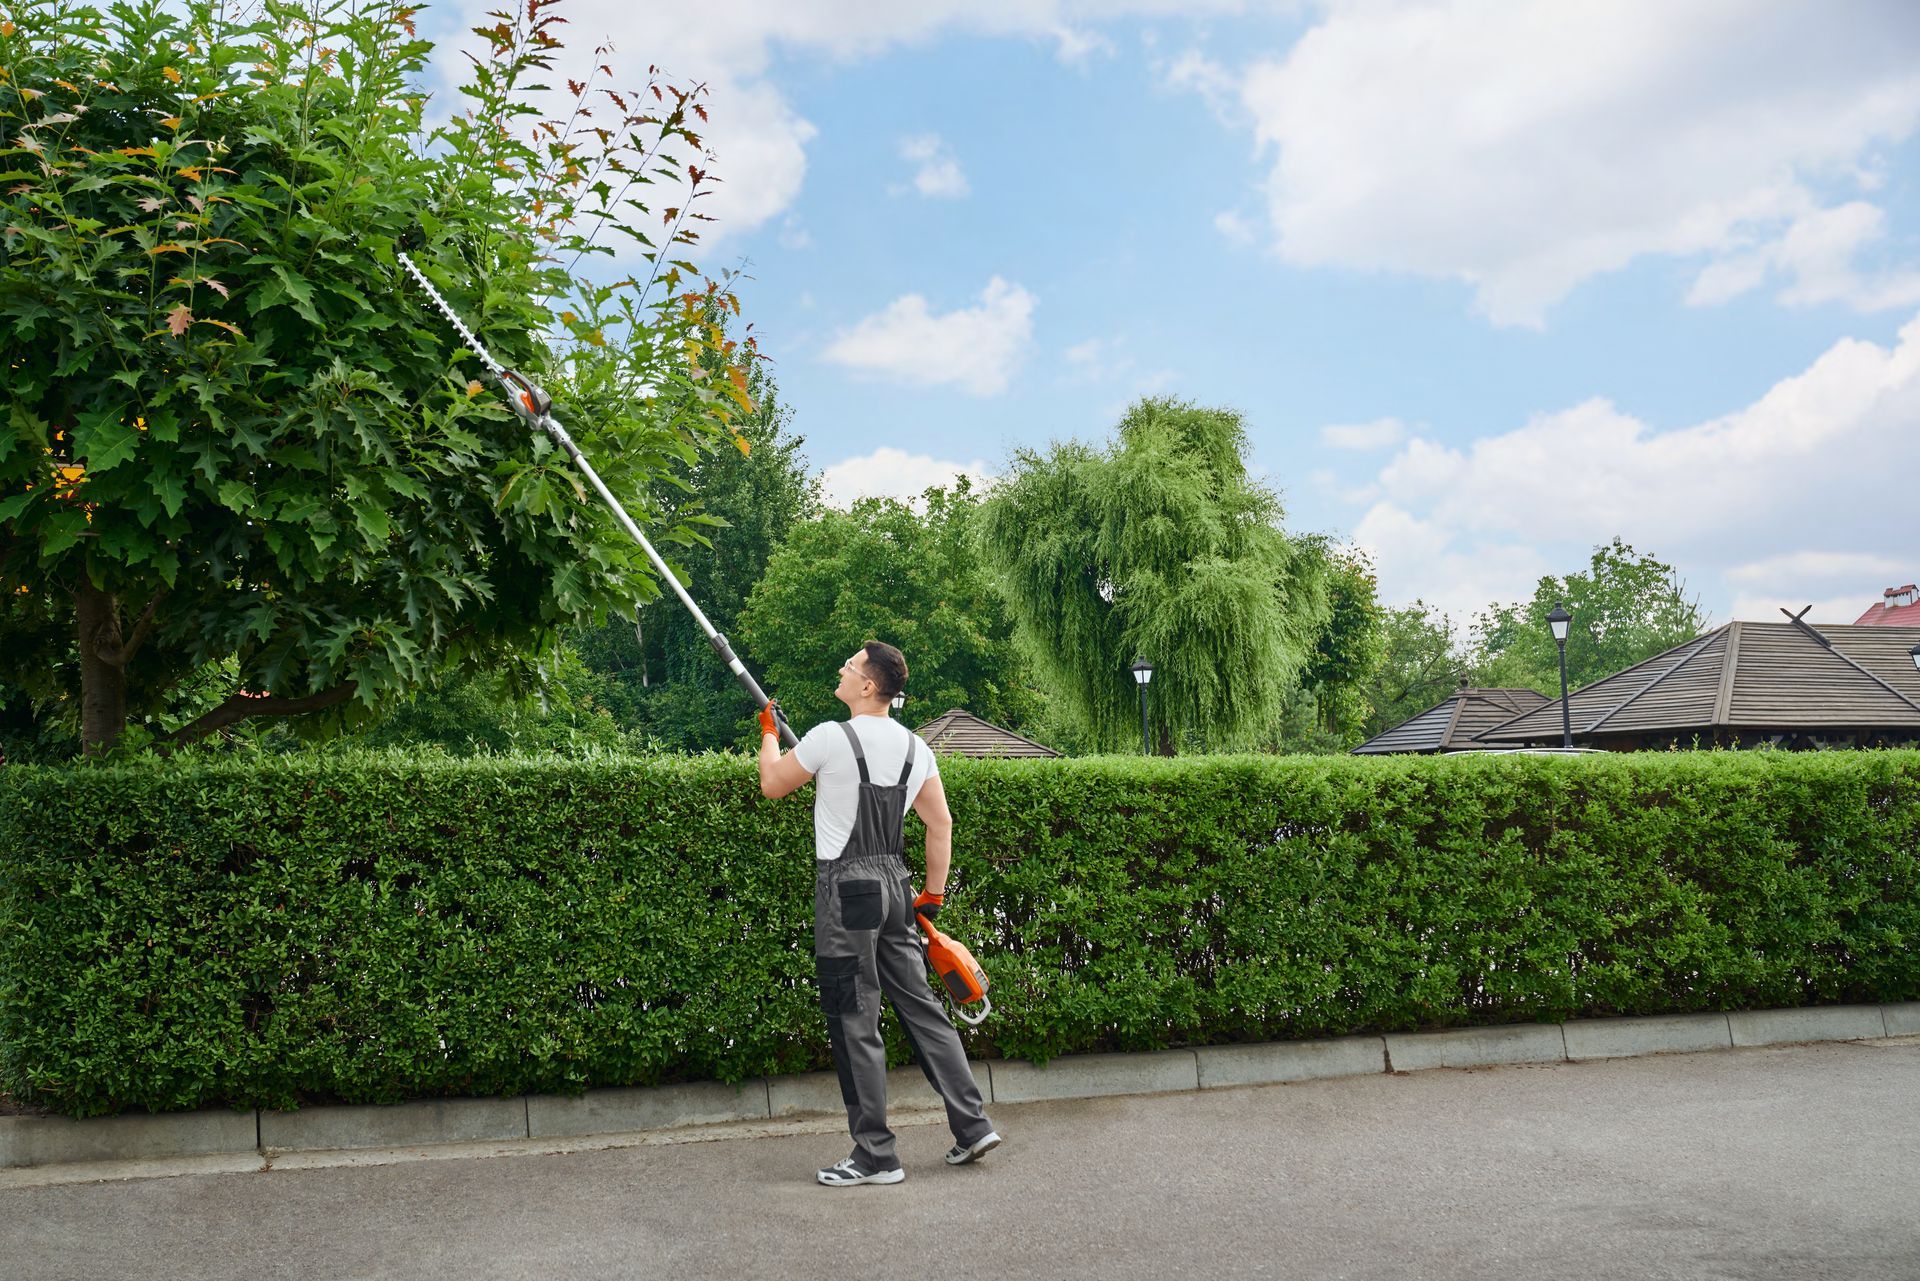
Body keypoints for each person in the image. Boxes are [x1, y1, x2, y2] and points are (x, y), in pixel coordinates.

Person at [757, 640, 1002, 1187]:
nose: (840, 672)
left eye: (848, 667)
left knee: (853, 1017)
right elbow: (941, 827)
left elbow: (772, 784)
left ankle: (876, 1155)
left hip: (847, 892)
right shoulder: (917, 749)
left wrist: (769, 732)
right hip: (897, 886)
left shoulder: (828, 737)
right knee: (923, 1010)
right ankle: (973, 1124)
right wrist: (931, 898)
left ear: (869, 685)